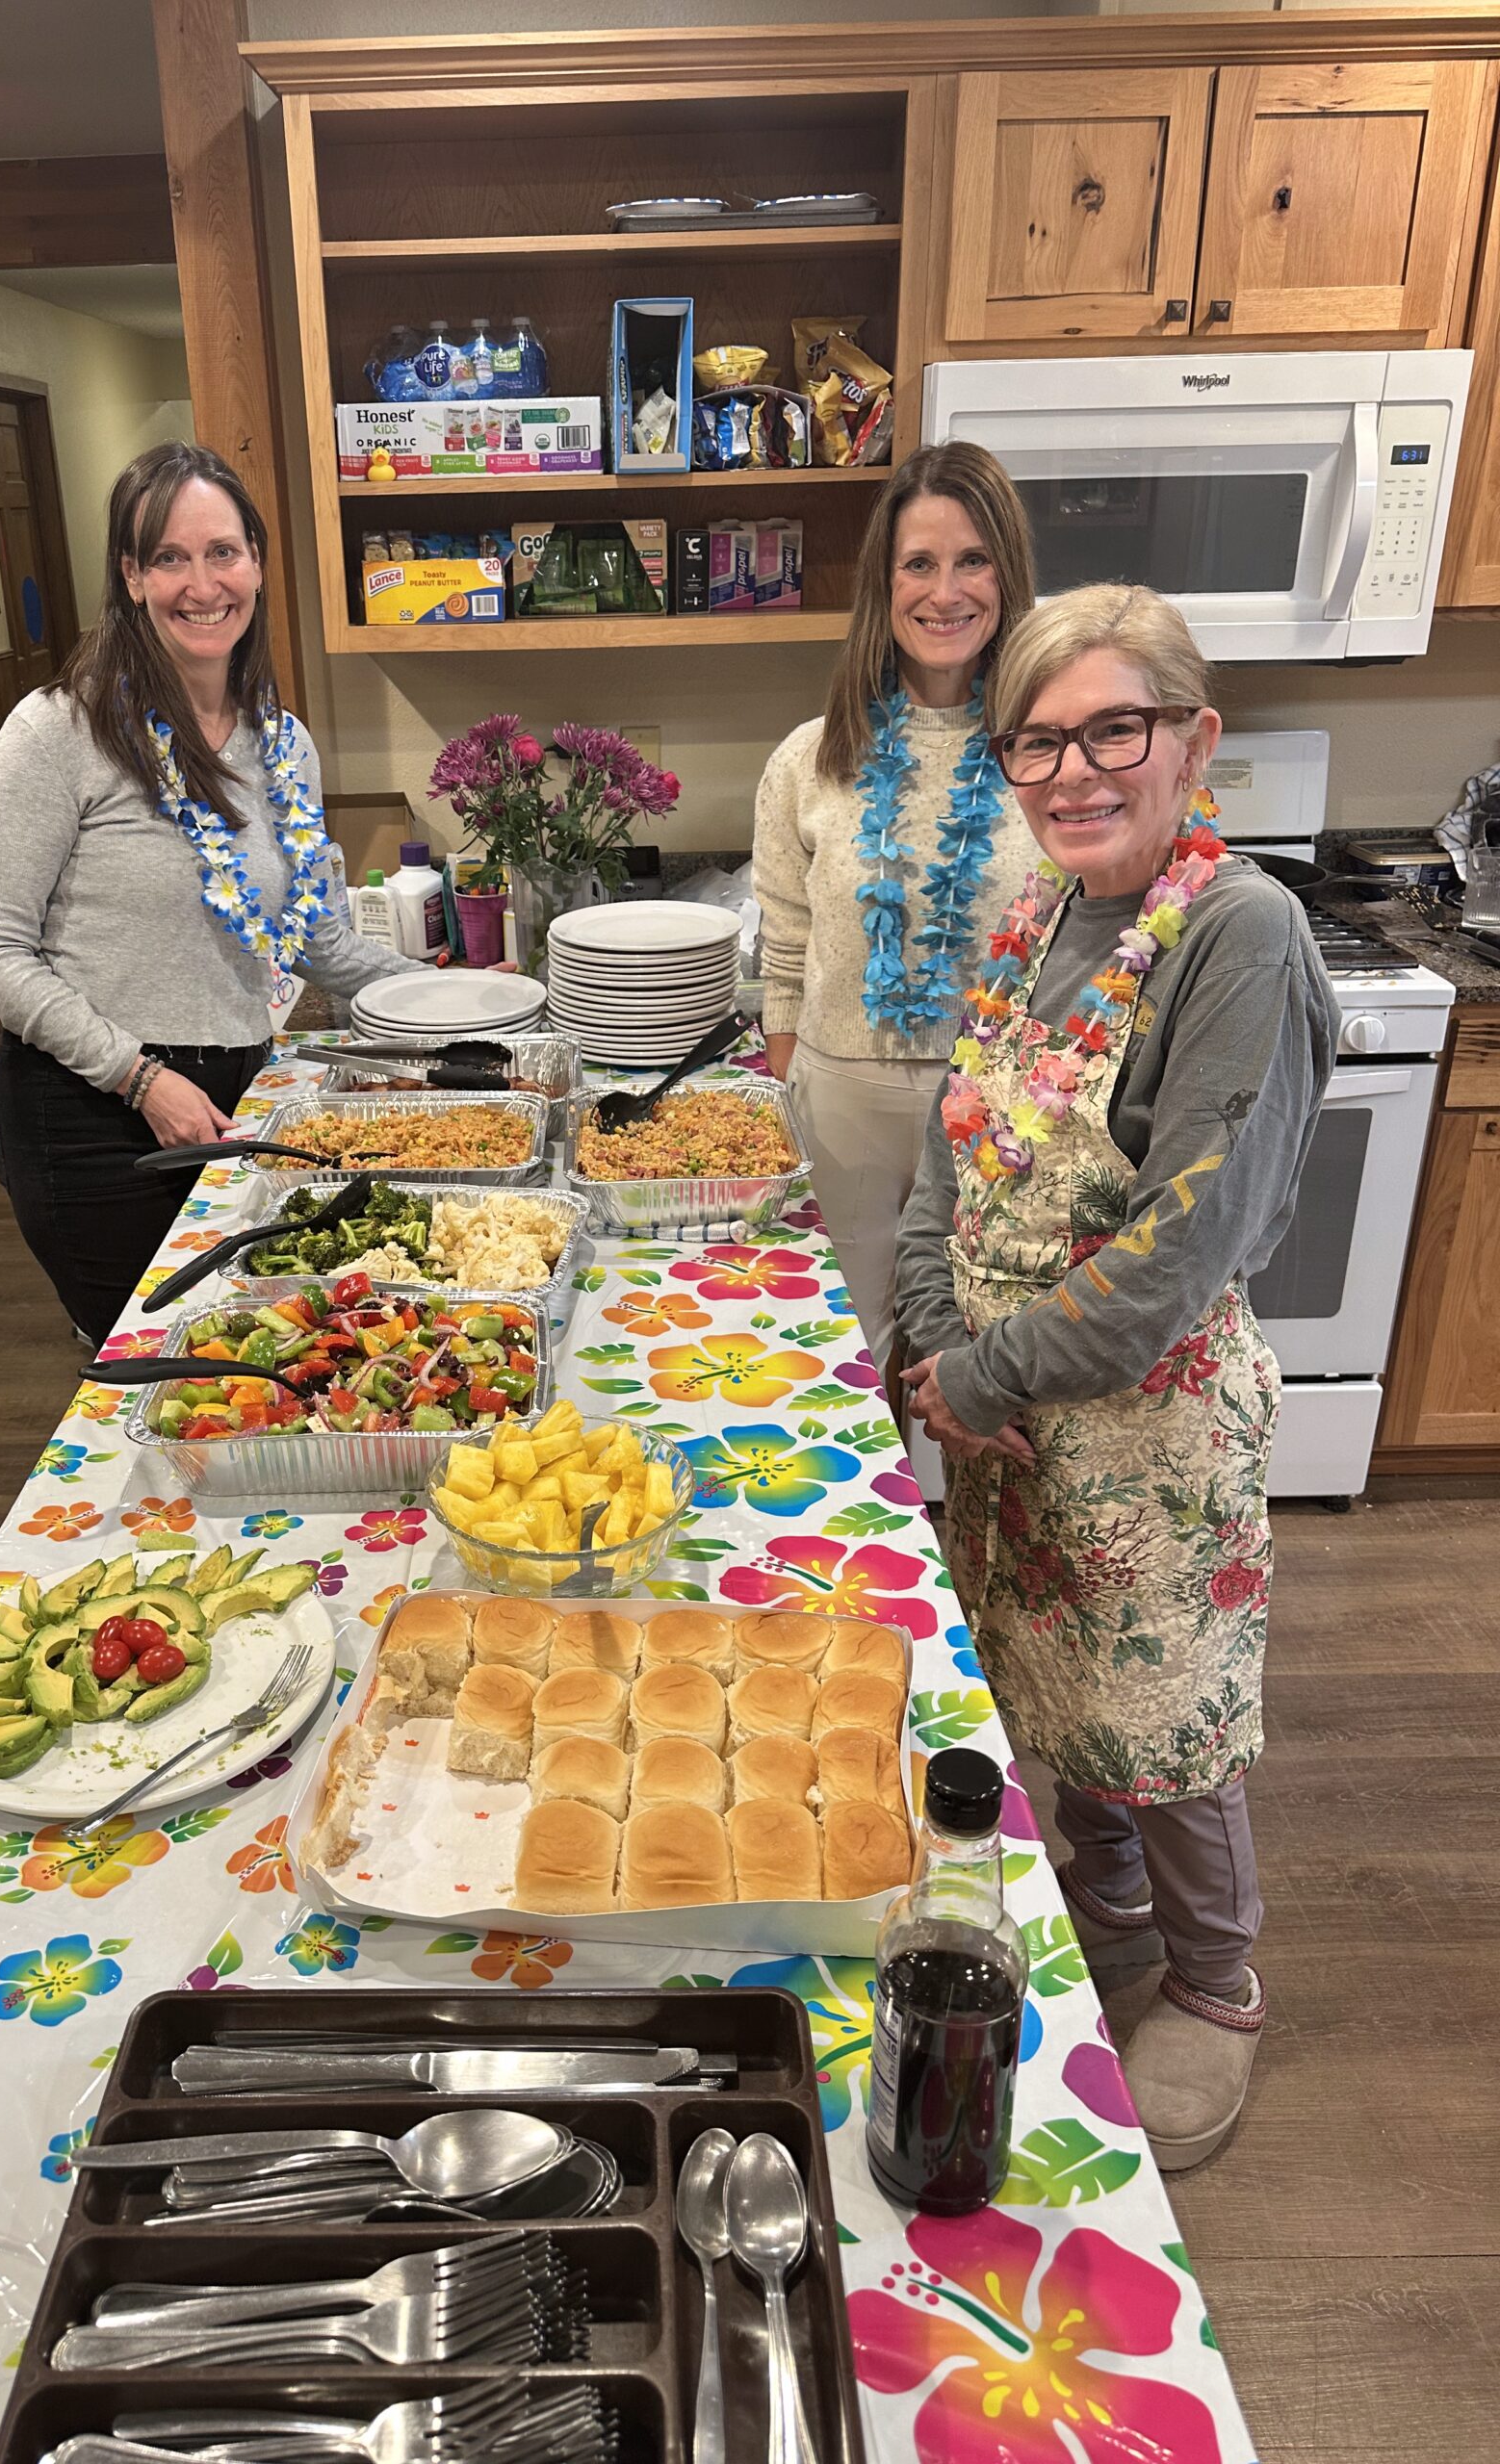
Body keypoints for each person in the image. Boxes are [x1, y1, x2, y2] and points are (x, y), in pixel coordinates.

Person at [895, 582, 1338, 2171]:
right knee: (1049, 1688)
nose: (1075, 770)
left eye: (1115, 730)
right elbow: (944, 1166)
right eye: (1039, 741)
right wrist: (924, 1343)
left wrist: (986, 1369)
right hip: (1013, 1418)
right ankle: (1109, 1917)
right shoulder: (1034, 922)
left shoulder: (1242, 933)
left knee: (1169, 1719)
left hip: (1144, 1426)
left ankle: (1215, 1986)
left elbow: (1181, 1244)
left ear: (1194, 740)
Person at [0, 441, 422, 1348]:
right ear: (131, 576)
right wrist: (140, 1076)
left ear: (256, 565)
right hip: (92, 1113)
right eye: (169, 557)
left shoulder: (280, 743)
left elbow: (318, 943)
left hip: (239, 1094)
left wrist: (462, 1000)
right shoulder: (60, 729)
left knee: (252, 1350)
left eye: (223, 552)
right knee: (163, 1358)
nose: (202, 584)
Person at [752, 442, 1039, 1362]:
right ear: (885, 583)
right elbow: (786, 955)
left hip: (1007, 1107)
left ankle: (961, 1515)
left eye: (972, 560)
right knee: (853, 1358)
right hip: (843, 1103)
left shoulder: (1050, 751)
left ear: (1008, 575)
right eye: (919, 563)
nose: (945, 592)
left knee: (979, 1356)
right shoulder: (809, 757)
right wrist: (801, 1089)